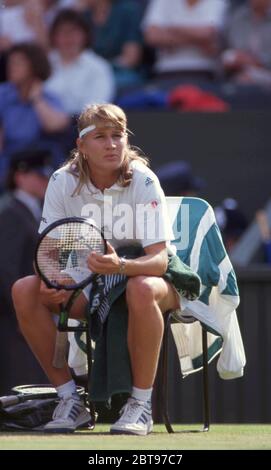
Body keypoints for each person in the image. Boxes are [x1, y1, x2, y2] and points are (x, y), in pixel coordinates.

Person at [12, 103, 200, 435]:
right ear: (81, 146)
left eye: (118, 136)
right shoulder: (60, 181)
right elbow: (48, 253)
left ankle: (140, 406)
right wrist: (51, 279)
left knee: (140, 288)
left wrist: (122, 266)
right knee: (25, 289)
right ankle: (71, 401)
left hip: (152, 282)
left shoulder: (144, 180)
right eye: (100, 137)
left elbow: (159, 261)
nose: (112, 144)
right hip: (92, 286)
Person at [0, 147, 53, 395]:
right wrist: (22, 312)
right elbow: (6, 268)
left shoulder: (31, 211)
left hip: (25, 311)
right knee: (19, 378)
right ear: (20, 176)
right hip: (12, 317)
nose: (44, 181)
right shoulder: (10, 212)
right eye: (38, 175)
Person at [0, 42, 70, 188]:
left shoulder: (48, 97)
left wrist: (37, 100)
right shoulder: (3, 95)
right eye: (10, 62)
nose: (11, 67)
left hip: (39, 163)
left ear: (34, 66)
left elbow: (56, 125)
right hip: (8, 162)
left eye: (18, 63)